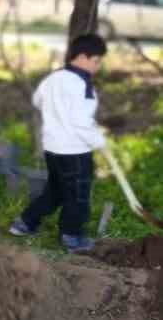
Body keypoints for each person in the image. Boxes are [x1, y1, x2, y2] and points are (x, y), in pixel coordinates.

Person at [9, 32, 108, 254]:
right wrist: (99, 140)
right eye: (96, 61)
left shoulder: (53, 78)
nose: (98, 66)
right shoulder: (83, 86)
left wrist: (57, 113)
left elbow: (37, 100)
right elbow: (81, 123)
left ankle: (24, 223)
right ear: (82, 56)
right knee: (78, 196)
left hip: (53, 148)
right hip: (75, 151)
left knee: (55, 191)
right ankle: (71, 237)